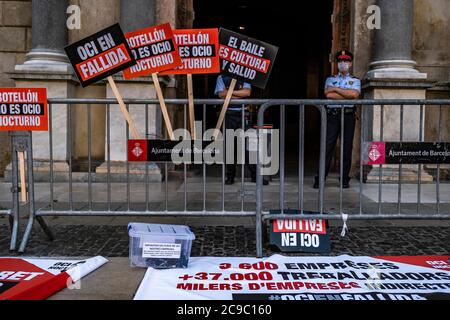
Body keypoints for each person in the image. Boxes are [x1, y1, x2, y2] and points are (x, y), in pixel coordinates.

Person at [314, 50, 361, 189]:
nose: (343, 64)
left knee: (347, 148)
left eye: (345, 61)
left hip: (348, 115)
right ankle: (320, 178)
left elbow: (354, 95)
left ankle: (344, 179)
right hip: (332, 116)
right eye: (340, 61)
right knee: (327, 147)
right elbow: (328, 95)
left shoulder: (356, 80)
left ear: (350, 63)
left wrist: (335, 89)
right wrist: (344, 93)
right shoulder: (330, 79)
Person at [214, 75, 269, 185]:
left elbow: (247, 93)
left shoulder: (245, 76)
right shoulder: (221, 77)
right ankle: (230, 176)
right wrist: (238, 95)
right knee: (229, 147)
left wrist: (229, 94)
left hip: (243, 114)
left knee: (250, 146)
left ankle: (255, 176)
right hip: (228, 114)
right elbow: (221, 94)